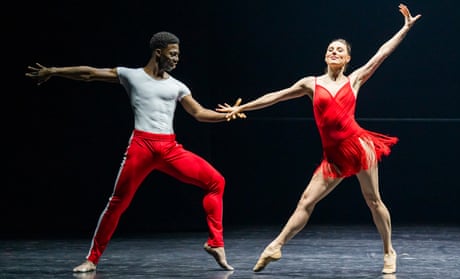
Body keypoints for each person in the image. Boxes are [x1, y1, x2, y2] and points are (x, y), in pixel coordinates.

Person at [217, 4, 421, 274]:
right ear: (325, 56)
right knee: (305, 201)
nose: (334, 52)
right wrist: (241, 107)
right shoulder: (310, 84)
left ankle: (388, 251)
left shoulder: (355, 79)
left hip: (358, 146)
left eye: (340, 50)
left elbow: (381, 53)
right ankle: (275, 246)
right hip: (333, 157)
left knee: (373, 200)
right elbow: (275, 96)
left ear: (347, 58)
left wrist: (404, 28)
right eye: (330, 49)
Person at [25, 31, 245, 273]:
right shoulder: (132, 76)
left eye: (178, 55)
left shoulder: (177, 86)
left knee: (216, 181)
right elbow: (89, 73)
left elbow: (199, 113)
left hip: (170, 148)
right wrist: (54, 71)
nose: (176, 59)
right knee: (117, 204)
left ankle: (216, 243)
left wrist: (227, 115)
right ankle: (92, 259)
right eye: (172, 54)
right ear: (157, 52)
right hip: (142, 146)